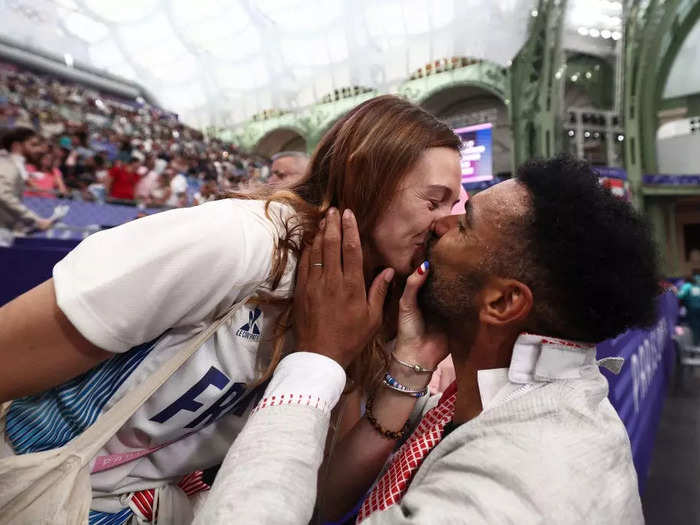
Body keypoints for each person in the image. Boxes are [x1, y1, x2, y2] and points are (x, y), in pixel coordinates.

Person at [0, 95, 462, 522]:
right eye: (433, 200)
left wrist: (411, 366)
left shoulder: (365, 298)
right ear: (365, 177)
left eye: (453, 205)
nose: (443, 223)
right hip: (32, 483)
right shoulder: (238, 243)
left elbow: (314, 494)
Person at [194, 156, 659, 524]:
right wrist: (408, 364)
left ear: (501, 304)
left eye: (465, 224)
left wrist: (316, 360)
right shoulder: (518, 393)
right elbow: (324, 501)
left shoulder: (510, 492)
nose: (440, 224)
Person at [0, 127, 53, 233]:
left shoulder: (15, 165)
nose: (39, 150)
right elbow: (3, 195)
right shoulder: (7, 164)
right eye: (33, 145)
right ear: (16, 146)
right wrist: (35, 219)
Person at [678, 272, 700, 344]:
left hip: (692, 309)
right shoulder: (698, 286)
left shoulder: (687, 286)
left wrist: (674, 290)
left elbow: (680, 295)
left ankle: (695, 343)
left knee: (694, 327)